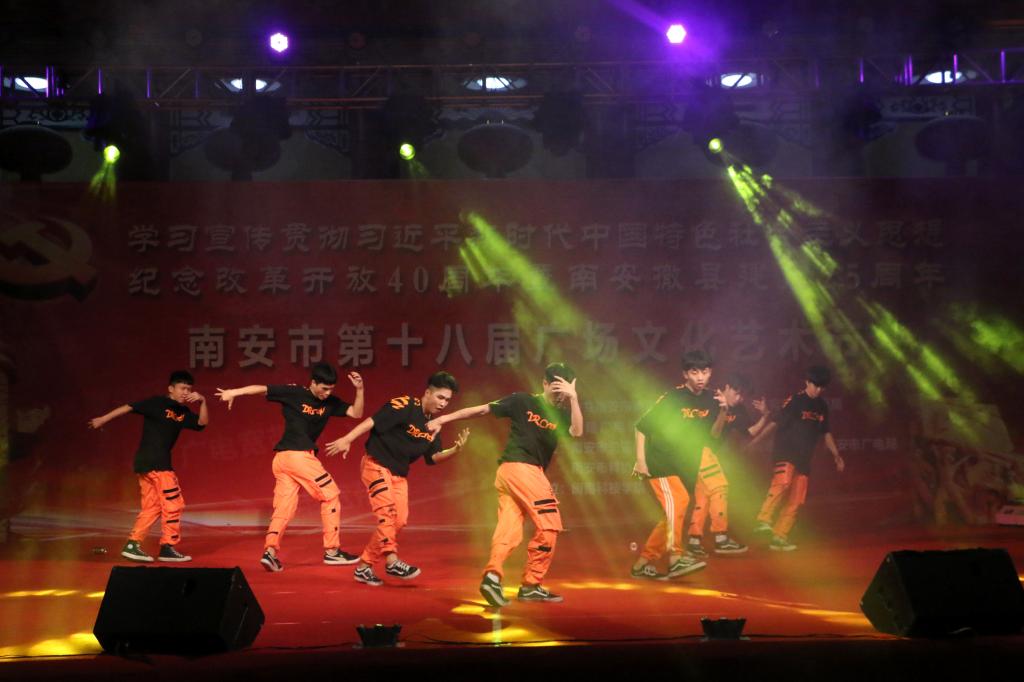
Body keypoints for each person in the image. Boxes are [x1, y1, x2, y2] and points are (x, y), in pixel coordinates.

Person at [426, 362, 583, 607]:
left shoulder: (563, 413)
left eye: (563, 391)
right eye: (555, 389)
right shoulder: (523, 401)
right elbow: (482, 410)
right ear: (544, 383)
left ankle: (492, 576)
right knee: (550, 525)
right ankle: (531, 585)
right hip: (520, 468)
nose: (559, 395)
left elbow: (577, 431)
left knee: (509, 530)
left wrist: (573, 399)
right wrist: (443, 419)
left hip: (514, 474)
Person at [323, 371, 470, 586]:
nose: (443, 403)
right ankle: (392, 561)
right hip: (376, 466)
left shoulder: (434, 424)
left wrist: (455, 450)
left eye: (447, 400)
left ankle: (364, 567)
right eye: (440, 397)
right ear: (427, 393)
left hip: (399, 476)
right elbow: (372, 421)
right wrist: (347, 438)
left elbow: (434, 457)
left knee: (398, 521)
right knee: (387, 515)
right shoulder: (405, 405)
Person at [215, 362, 364, 571]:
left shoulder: (330, 402)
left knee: (284, 508)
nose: (328, 393)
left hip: (284, 461)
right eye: (324, 388)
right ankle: (332, 551)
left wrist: (360, 389)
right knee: (330, 495)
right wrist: (233, 392)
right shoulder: (294, 392)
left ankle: (270, 552)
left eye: (331, 389)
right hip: (296, 456)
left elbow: (356, 413)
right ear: (313, 383)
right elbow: (262, 388)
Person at [88, 370, 208, 563]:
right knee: (174, 504)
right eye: (182, 388)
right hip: (157, 463)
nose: (186, 392)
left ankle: (132, 545)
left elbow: (202, 423)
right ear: (171, 389)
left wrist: (202, 401)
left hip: (148, 463)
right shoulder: (157, 403)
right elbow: (129, 407)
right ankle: (167, 547)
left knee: (152, 507)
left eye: (189, 389)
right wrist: (103, 419)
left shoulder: (182, 412)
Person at [631, 350, 725, 580]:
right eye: (694, 372)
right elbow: (641, 426)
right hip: (661, 463)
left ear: (710, 372)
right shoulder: (673, 397)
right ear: (685, 374)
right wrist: (641, 461)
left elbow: (713, 436)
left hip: (686, 466)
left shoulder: (713, 400)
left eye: (705, 371)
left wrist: (724, 410)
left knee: (674, 514)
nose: (700, 377)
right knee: (680, 502)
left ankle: (642, 564)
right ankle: (675, 559)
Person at [751, 365, 845, 551]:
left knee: (797, 499)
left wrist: (836, 455)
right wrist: (756, 441)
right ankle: (763, 520)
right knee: (783, 482)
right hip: (785, 452)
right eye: (815, 385)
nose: (818, 390)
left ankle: (779, 536)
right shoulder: (795, 400)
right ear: (807, 382)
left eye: (822, 387)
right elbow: (775, 423)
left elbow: (826, 432)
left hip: (804, 459)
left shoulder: (822, 406)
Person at [685, 373, 769, 558]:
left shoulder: (738, 409)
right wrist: (723, 410)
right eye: (737, 393)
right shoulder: (711, 400)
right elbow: (713, 434)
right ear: (727, 387)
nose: (739, 399)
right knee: (720, 487)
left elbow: (749, 432)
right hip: (696, 449)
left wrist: (765, 416)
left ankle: (694, 541)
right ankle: (721, 538)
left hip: (706, 455)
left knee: (704, 497)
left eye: (742, 396)